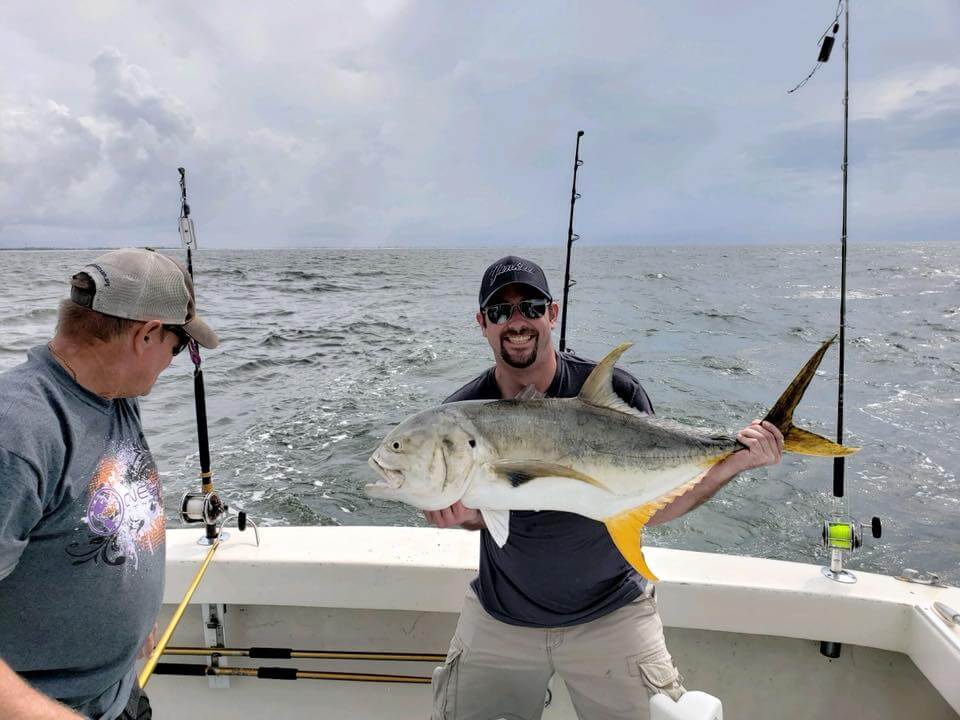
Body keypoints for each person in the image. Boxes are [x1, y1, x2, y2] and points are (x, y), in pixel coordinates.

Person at [426, 256, 784, 720]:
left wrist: (734, 461)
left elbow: (651, 506)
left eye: (530, 307)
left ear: (551, 314)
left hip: (613, 613)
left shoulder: (616, 390)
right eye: (500, 312)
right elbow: (484, 508)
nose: (516, 322)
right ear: (482, 324)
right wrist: (461, 515)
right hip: (501, 616)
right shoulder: (459, 414)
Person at [0, 248, 218, 720]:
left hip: (117, 691)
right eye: (178, 348)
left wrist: (129, 620)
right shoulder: (18, 434)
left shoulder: (113, 395)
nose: (172, 362)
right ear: (145, 334)